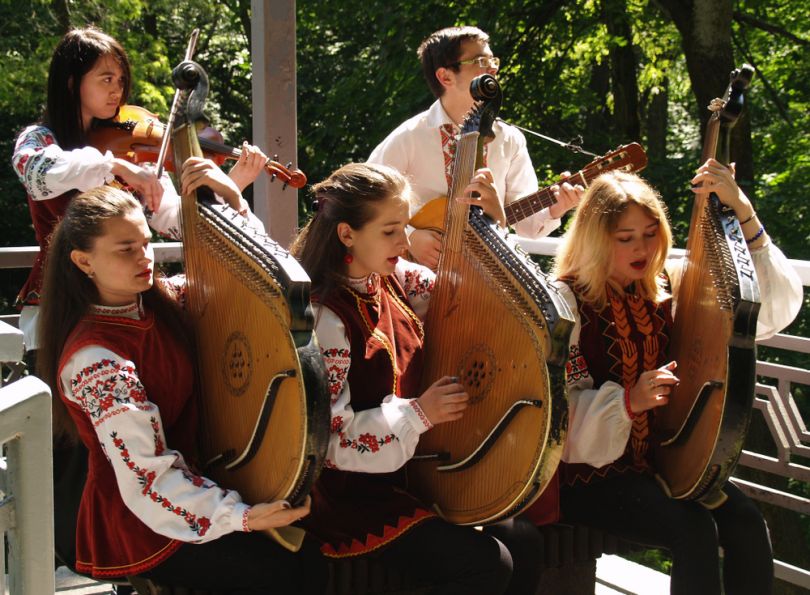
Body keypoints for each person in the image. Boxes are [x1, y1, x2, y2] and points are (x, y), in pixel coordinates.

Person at [11, 26, 268, 570]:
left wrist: (229, 187)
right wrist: (113, 166)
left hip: (129, 310)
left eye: (121, 79)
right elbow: (38, 176)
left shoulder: (134, 145)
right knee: (68, 461)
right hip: (60, 314)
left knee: (145, 433)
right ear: (71, 80)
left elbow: (173, 219)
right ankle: (75, 555)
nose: (117, 91)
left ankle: (154, 544)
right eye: (105, 78)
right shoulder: (41, 140)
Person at [36, 186, 327, 594]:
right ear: (84, 261)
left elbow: (252, 278)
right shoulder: (96, 360)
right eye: (125, 250)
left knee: (316, 542)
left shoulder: (161, 300)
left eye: (146, 242)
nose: (145, 257)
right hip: (144, 516)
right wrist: (241, 516)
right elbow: (147, 477)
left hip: (200, 475)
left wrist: (227, 193)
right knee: (283, 569)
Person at [554, 162, 803, 594]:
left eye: (651, 234)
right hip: (591, 478)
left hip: (666, 465)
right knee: (693, 529)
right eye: (625, 238)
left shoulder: (670, 285)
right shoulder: (566, 302)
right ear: (596, 239)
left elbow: (764, 306)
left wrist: (742, 210)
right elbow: (555, 415)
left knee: (746, 523)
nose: (643, 249)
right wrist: (629, 401)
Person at [290, 162, 513, 594]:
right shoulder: (324, 318)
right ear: (347, 234)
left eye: (405, 226)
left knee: (521, 536)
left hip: (410, 471)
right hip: (347, 497)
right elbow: (331, 442)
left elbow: (468, 292)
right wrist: (419, 413)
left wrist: (493, 223)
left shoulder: (394, 278)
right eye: (391, 230)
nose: (406, 241)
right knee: (486, 563)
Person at [368, 25, 580, 269]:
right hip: (415, 274)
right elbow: (365, 201)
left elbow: (529, 227)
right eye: (480, 60)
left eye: (492, 60)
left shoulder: (509, 139)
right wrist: (410, 236)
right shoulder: (410, 137)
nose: (492, 68)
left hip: (484, 275)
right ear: (445, 76)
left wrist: (556, 208)